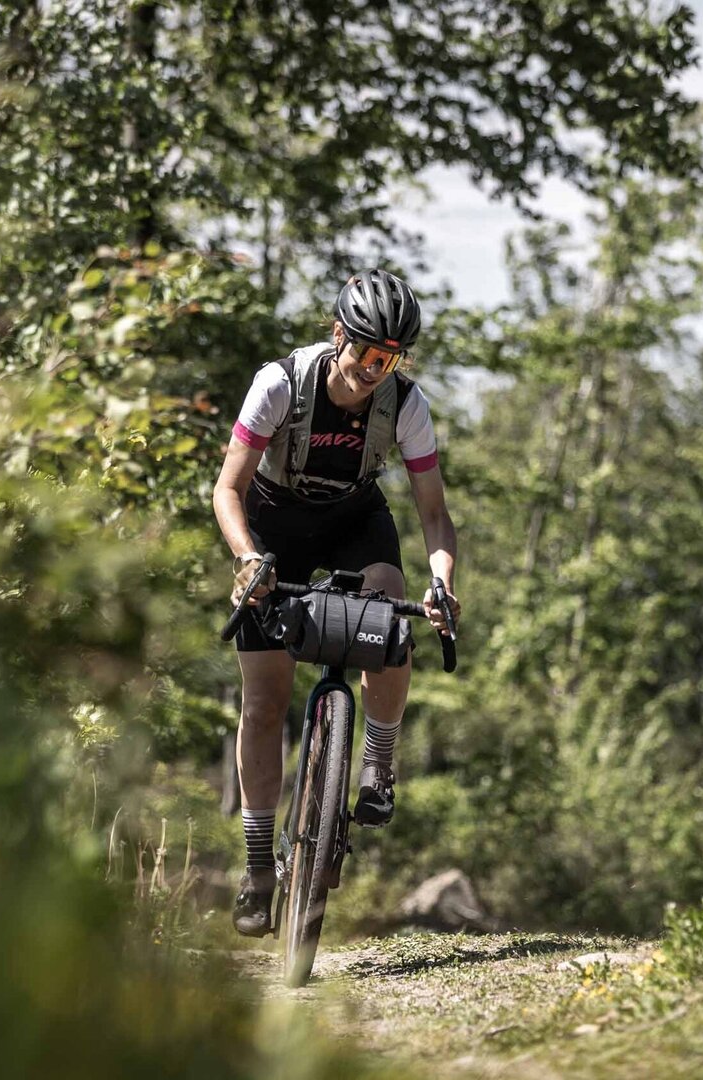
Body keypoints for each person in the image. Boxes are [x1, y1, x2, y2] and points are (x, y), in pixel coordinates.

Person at [212, 269, 460, 937]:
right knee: (264, 704)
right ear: (337, 335)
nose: (373, 371)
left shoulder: (404, 404)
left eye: (390, 359)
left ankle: (378, 759)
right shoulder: (280, 384)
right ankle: (259, 864)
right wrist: (246, 558)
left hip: (353, 519)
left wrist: (444, 582)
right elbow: (227, 490)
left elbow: (435, 516)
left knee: (391, 614)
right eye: (365, 354)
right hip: (271, 522)